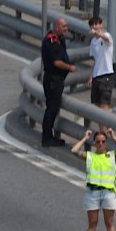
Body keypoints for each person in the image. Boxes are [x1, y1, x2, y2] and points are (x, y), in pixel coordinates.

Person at [71, 128, 116, 231]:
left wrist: (114, 137)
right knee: (92, 223)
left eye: (103, 141)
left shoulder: (112, 156)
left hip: (108, 193)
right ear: (94, 144)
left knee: (109, 222)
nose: (101, 144)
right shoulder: (90, 156)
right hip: (93, 193)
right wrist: (85, 138)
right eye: (98, 142)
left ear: (106, 143)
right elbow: (74, 150)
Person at [40, 16, 76, 146]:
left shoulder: (59, 39)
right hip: (53, 80)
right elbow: (57, 62)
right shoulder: (52, 42)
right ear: (56, 27)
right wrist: (70, 67)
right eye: (64, 27)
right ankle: (47, 138)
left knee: (52, 108)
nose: (66, 29)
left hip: (56, 79)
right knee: (52, 109)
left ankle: (49, 136)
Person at [86, 16, 114, 133]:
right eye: (93, 24)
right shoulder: (93, 42)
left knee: (104, 105)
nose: (95, 26)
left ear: (101, 24)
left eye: (97, 24)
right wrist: (91, 77)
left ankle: (105, 134)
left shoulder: (106, 37)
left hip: (106, 75)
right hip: (97, 76)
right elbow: (95, 60)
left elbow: (106, 38)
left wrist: (98, 33)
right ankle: (104, 131)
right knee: (97, 107)